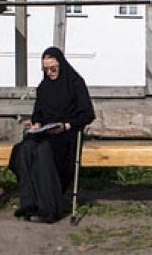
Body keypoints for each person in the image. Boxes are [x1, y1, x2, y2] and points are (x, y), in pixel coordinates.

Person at [8, 46, 95, 223]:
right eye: (45, 69)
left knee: (43, 151)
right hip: (45, 131)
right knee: (24, 149)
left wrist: (66, 125)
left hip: (66, 133)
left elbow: (87, 114)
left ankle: (48, 209)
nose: (49, 73)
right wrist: (36, 124)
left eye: (53, 69)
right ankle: (29, 204)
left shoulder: (75, 83)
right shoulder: (44, 87)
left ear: (61, 65)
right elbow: (38, 113)